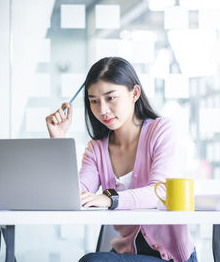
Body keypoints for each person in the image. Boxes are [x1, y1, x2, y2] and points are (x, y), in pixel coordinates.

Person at [45, 57, 197, 262]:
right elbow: (75, 195)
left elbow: (161, 191)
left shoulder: (161, 130)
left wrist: (110, 199)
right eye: (94, 101)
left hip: (171, 258)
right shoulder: (96, 148)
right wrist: (59, 139)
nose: (102, 110)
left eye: (110, 98)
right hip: (126, 255)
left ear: (134, 93)